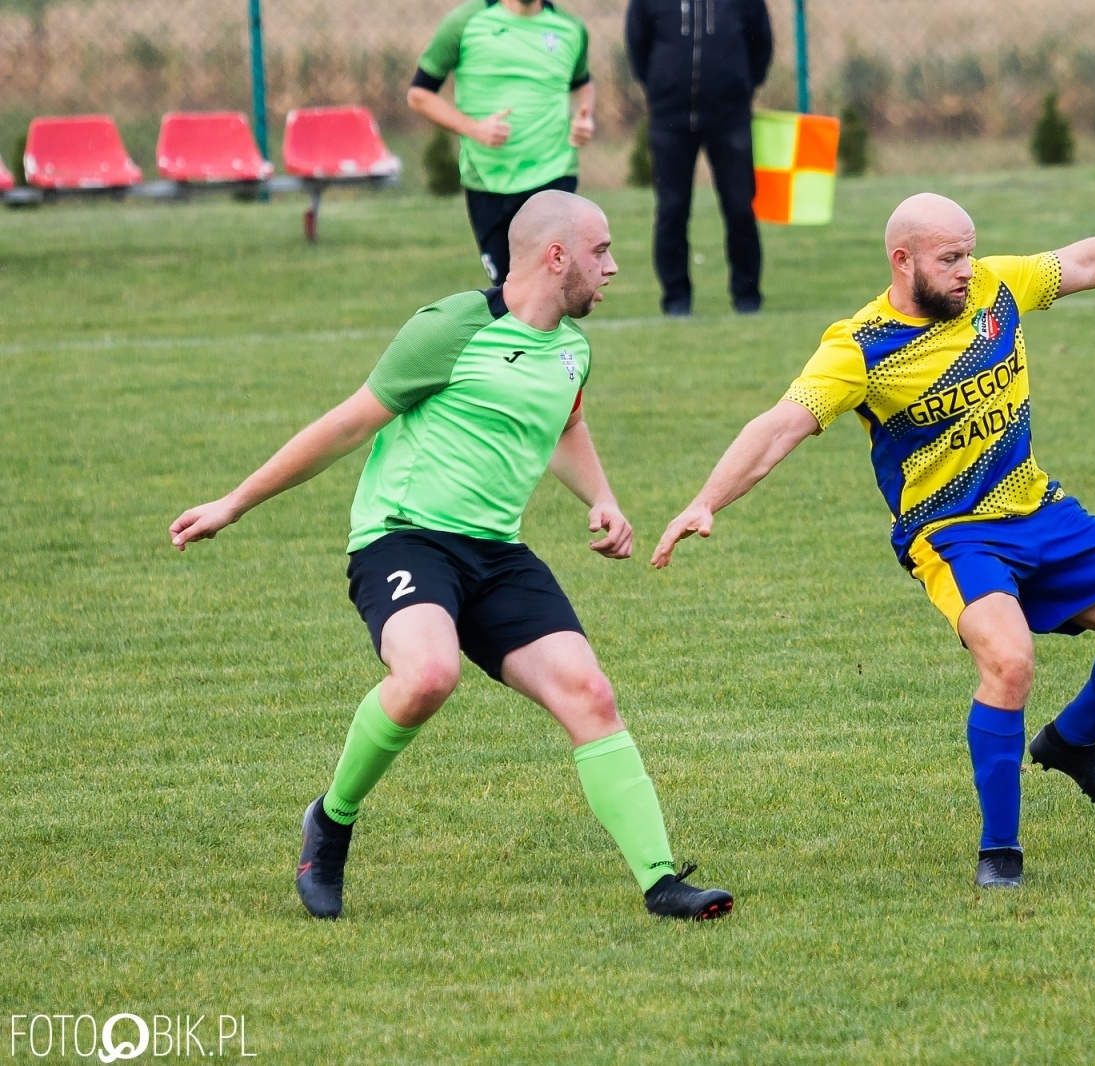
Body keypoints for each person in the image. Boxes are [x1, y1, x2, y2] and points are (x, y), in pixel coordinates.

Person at [170, 191, 733, 922]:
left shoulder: (572, 347)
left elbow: (565, 426)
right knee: (429, 674)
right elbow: (347, 424)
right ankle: (331, 822)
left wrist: (602, 498)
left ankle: (661, 884)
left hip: (495, 553)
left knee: (589, 693)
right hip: (403, 537)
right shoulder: (450, 328)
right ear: (555, 256)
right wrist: (234, 502)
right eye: (602, 251)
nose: (614, 267)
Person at [652, 193, 1095, 889]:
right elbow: (782, 424)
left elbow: (1087, 260)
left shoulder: (996, 287)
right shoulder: (861, 346)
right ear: (903, 261)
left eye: (969, 251)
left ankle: (1071, 743)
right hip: (954, 536)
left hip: (1041, 511)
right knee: (1010, 663)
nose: (967, 269)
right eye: (950, 257)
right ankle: (1001, 854)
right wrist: (705, 501)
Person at [408, 0, 598, 285]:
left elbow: (582, 81)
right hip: (488, 179)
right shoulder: (464, 23)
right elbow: (419, 95)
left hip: (554, 172)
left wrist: (585, 118)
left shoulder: (570, 29)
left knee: (555, 288)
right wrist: (473, 128)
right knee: (509, 292)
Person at [625, 0, 772, 316]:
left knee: (739, 207)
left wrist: (740, 87)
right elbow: (638, 46)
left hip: (730, 116)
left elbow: (761, 45)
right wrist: (661, 87)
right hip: (669, 119)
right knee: (672, 210)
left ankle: (747, 296)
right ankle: (676, 299)